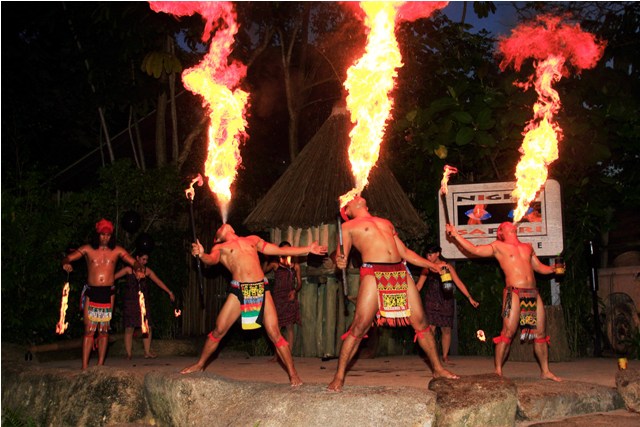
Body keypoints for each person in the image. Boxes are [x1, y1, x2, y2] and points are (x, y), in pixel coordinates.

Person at [328, 196, 459, 392]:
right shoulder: (348, 227)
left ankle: (438, 369)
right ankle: (339, 376)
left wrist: (432, 265)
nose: (356, 196)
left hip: (399, 271)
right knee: (359, 326)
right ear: (347, 210)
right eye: (351, 198)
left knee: (421, 323)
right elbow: (341, 255)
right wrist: (339, 261)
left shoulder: (385, 223)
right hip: (373, 272)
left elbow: (405, 252)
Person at [180, 224, 327, 387]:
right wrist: (201, 254)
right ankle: (200, 365)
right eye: (219, 228)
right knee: (219, 330)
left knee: (275, 333)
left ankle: (293, 374)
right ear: (219, 237)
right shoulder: (221, 247)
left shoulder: (252, 240)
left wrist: (308, 248)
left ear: (233, 229)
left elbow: (279, 251)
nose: (224, 225)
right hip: (239, 290)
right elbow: (211, 259)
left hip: (261, 288)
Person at [445, 221, 562, 381]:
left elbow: (540, 267)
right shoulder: (498, 246)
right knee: (507, 333)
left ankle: (545, 371)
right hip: (511, 294)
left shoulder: (528, 247)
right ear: (501, 232)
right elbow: (475, 250)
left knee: (540, 333)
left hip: (531, 293)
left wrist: (553, 269)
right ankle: (498, 371)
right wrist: (456, 234)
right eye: (505, 224)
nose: (510, 224)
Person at [62, 218, 143, 370]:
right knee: (89, 330)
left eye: (108, 235)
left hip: (108, 293)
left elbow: (133, 262)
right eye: (102, 234)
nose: (105, 238)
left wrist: (138, 269)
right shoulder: (87, 249)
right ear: (97, 235)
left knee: (104, 331)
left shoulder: (117, 250)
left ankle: (100, 365)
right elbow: (68, 257)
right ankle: (85, 366)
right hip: (92, 292)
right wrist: (66, 263)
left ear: (111, 236)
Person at [415, 245, 479, 365]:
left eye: (430, 254)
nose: (428, 257)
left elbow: (458, 283)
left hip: (446, 300)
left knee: (446, 329)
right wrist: (408, 298)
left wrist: (470, 298)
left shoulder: (447, 267)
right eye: (426, 255)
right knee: (431, 329)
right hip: (431, 301)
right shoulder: (427, 268)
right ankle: (432, 356)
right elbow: (419, 286)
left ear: (438, 253)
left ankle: (445, 356)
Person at [114, 251, 175, 360]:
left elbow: (158, 281)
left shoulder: (147, 271)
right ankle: (128, 353)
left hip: (143, 302)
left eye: (146, 260)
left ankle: (147, 352)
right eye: (143, 259)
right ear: (137, 258)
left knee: (147, 326)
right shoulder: (129, 270)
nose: (145, 262)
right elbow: (113, 277)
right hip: (130, 301)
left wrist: (169, 292)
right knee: (129, 327)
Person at [263, 241, 302, 361]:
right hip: (278, 297)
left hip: (289, 296)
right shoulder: (276, 264)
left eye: (288, 249)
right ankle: (277, 355)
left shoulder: (295, 265)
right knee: (277, 327)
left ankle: (288, 354)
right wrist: (266, 258)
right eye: (284, 250)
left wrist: (294, 291)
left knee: (290, 326)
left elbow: (299, 283)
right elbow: (263, 270)